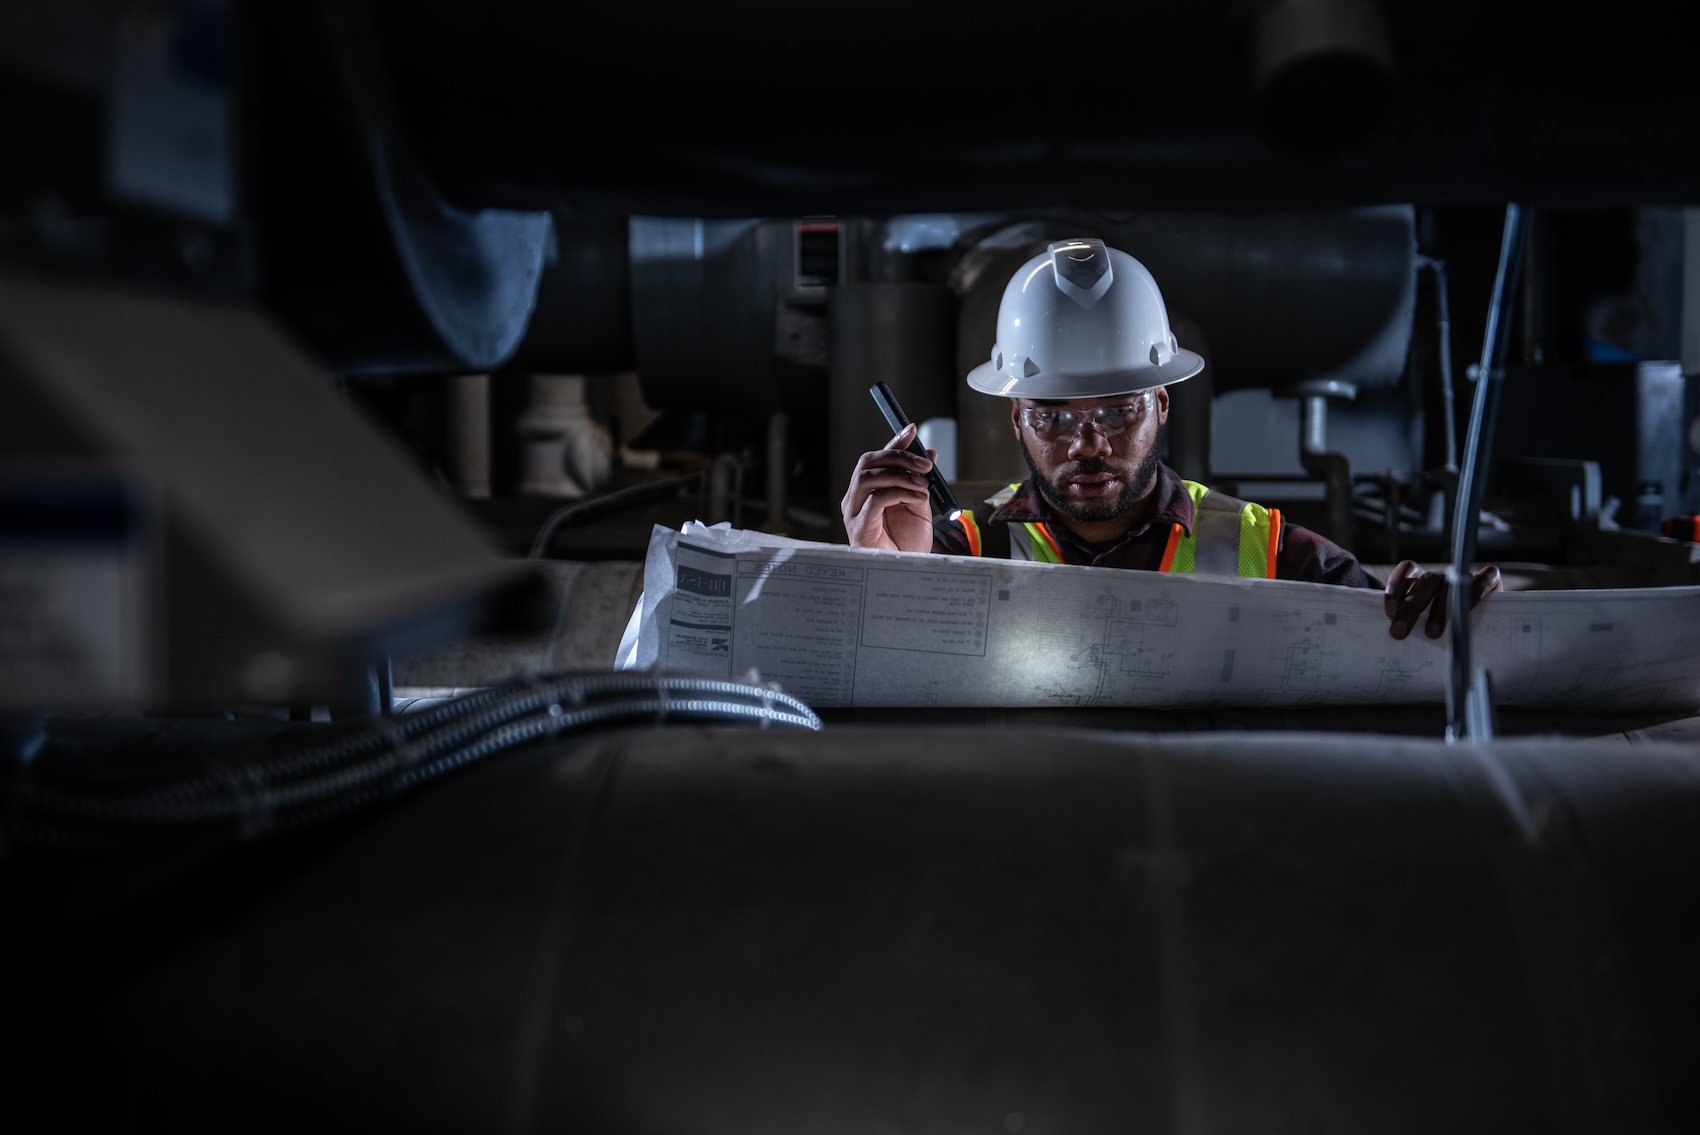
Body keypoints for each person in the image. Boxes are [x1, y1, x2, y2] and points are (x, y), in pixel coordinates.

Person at [841, 237, 1501, 640]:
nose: (1086, 444)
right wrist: (883, 578)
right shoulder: (952, 551)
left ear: (1161, 405)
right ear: (1016, 419)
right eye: (1055, 417)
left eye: (1118, 411)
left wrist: (1440, 617)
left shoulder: (1271, 552)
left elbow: (1393, 637)